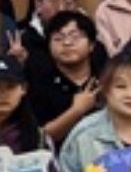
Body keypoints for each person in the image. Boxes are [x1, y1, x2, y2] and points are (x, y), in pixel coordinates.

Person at [27, 11, 104, 149]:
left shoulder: (106, 78)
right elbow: (40, 138)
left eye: (75, 37)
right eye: (58, 38)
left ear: (92, 45)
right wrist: (77, 111)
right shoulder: (38, 83)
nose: (67, 43)